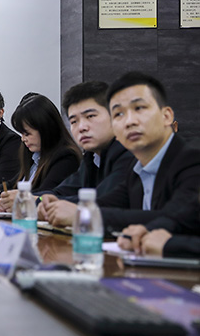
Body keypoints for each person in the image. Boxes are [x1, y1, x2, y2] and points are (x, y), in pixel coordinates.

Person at [82, 72, 200, 242]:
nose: (129, 121)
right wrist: (56, 207)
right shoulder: (137, 167)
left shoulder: (192, 158)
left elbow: (177, 217)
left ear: (166, 116)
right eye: (118, 114)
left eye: (139, 108)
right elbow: (108, 203)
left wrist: (84, 214)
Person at [37, 81, 134, 226]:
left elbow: (105, 201)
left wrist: (51, 204)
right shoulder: (91, 158)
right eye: (74, 121)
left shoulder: (129, 153)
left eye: (90, 116)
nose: (81, 127)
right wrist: (38, 200)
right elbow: (61, 191)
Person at [0, 94, 81, 210]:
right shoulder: (34, 155)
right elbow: (14, 182)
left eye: (27, 134)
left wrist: (1, 195)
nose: (23, 139)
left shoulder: (66, 157)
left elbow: (44, 195)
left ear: (45, 129)